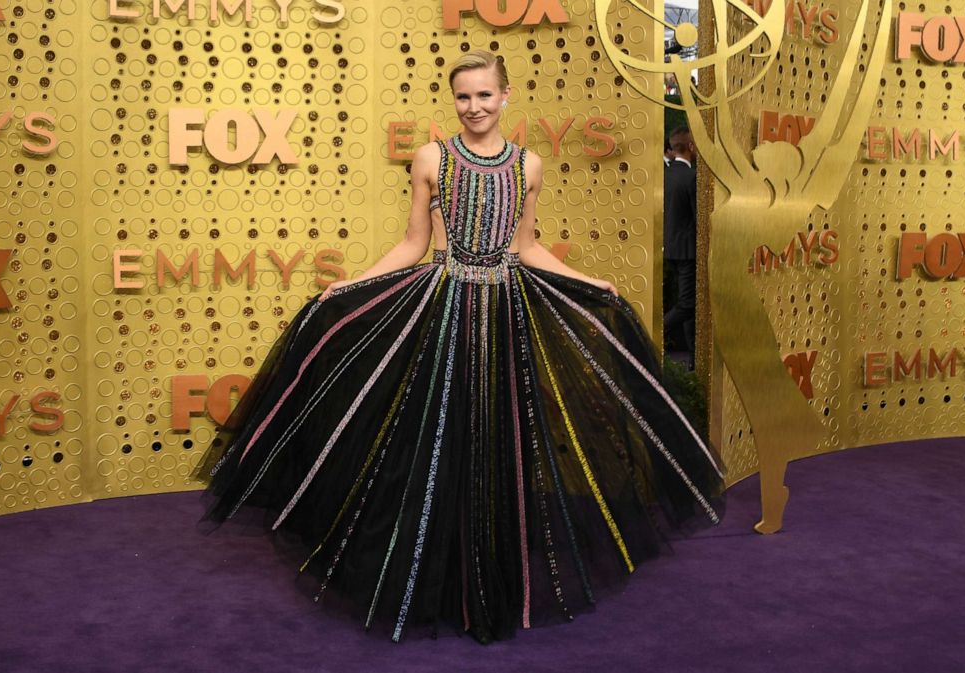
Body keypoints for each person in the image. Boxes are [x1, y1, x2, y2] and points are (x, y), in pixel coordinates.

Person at [195, 51, 725, 645]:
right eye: (463, 97)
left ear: (505, 96)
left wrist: (588, 282)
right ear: (455, 101)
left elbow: (526, 246)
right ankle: (429, 574)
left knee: (498, 443)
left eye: (483, 95)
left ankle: (489, 578)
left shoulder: (528, 165)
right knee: (434, 439)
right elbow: (413, 244)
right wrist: (353, 282)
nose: (473, 107)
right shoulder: (432, 158)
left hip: (504, 317)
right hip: (444, 313)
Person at [663, 126, 697, 361]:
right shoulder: (692, 178)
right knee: (687, 305)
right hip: (689, 252)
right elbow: (699, 218)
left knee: (690, 308)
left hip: (670, 250)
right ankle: (653, 331)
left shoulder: (664, 175)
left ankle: (695, 360)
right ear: (691, 147)